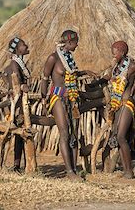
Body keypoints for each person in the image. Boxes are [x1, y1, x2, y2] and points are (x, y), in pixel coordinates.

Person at [41, 30, 95, 180]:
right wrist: (43, 99)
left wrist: (84, 71)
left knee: (73, 134)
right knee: (64, 133)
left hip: (72, 98)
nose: (77, 45)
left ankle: (74, 170)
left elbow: (72, 74)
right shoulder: (53, 58)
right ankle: (69, 172)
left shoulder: (69, 57)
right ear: (69, 42)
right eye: (76, 42)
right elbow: (45, 78)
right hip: (57, 97)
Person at [104, 40, 135, 179]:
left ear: (122, 52)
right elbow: (109, 78)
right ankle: (127, 171)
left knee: (120, 136)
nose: (113, 55)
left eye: (115, 53)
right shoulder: (116, 67)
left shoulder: (131, 65)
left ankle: (129, 171)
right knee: (119, 137)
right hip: (118, 104)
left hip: (127, 103)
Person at [3, 36, 30, 173]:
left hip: (19, 104)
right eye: (23, 45)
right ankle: (18, 165)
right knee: (20, 134)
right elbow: (17, 85)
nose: (26, 46)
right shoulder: (15, 64)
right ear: (17, 49)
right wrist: (23, 86)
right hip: (17, 105)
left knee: (20, 136)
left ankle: (18, 165)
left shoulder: (18, 64)